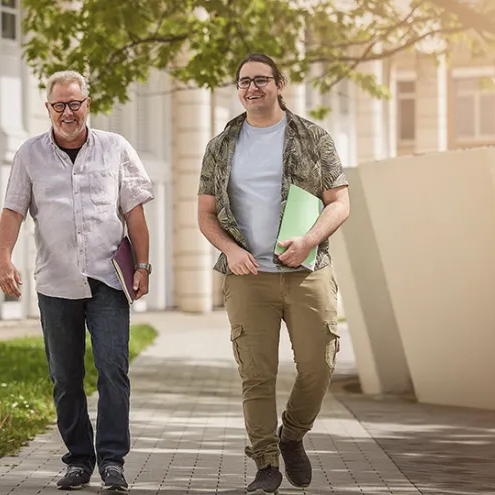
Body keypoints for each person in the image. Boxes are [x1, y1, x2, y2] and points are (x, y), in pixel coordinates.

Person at [197, 53, 351, 494]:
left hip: (307, 270)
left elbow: (340, 201)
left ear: (280, 84)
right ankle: (266, 462)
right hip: (247, 277)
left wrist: (308, 240)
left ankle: (293, 434)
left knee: (319, 366)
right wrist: (230, 249)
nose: (252, 88)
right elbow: (206, 214)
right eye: (244, 81)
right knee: (256, 374)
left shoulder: (312, 137)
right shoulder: (221, 145)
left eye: (261, 80)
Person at [0, 69, 154, 492]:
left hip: (107, 280)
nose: (68, 112)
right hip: (56, 283)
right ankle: (79, 460)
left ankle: (113, 461)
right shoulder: (30, 155)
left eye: (75, 103)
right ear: (48, 108)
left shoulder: (115, 149)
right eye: (59, 105)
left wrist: (143, 266)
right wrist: (3, 258)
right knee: (65, 378)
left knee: (113, 371)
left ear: (88, 103)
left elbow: (134, 213)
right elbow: (13, 210)